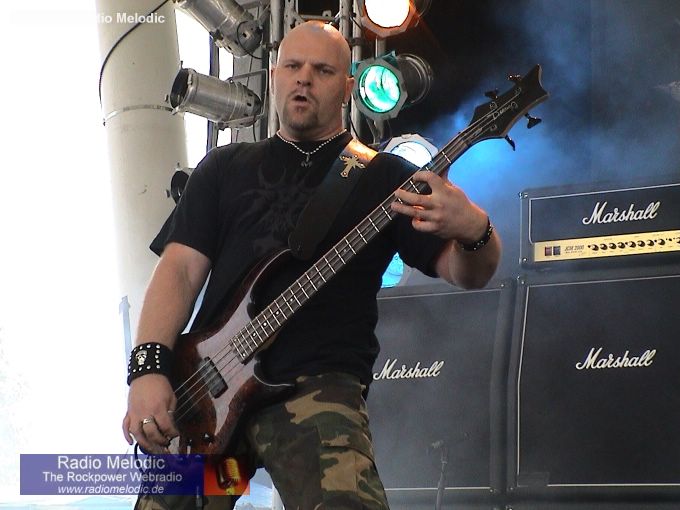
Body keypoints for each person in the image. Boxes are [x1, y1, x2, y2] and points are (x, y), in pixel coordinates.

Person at [123, 20, 500, 510]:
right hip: (208, 386)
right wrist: (148, 369)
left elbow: (469, 272)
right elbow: (179, 272)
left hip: (318, 390)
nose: (304, 78)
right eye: (293, 67)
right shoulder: (224, 167)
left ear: (347, 87)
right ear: (274, 76)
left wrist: (475, 229)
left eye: (322, 70)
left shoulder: (385, 177)